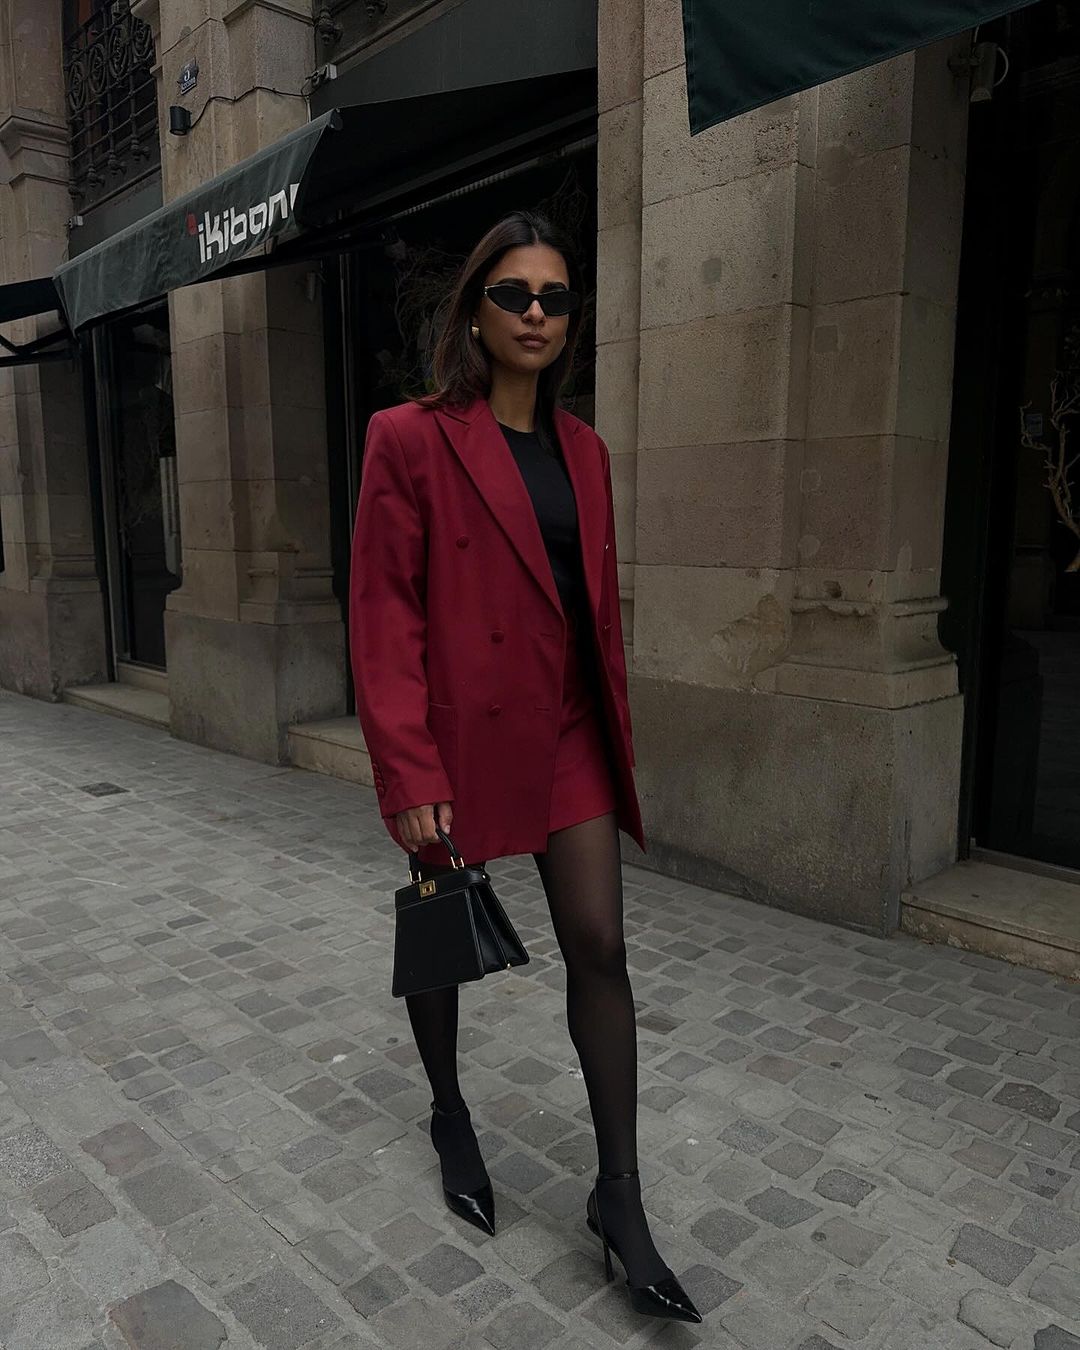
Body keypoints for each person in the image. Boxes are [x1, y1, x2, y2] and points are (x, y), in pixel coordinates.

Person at [348, 210, 701, 1325]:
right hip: (457, 735)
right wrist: (409, 771)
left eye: (555, 296)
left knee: (601, 945)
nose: (537, 313)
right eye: (514, 294)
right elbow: (384, 612)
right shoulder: (409, 437)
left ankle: (619, 1195)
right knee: (445, 937)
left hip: (567, 731)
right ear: (476, 312)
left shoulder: (585, 451)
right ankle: (450, 1113)